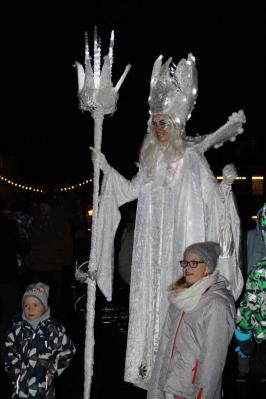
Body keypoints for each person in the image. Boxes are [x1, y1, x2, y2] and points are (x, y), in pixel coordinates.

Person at [91, 53, 245, 387]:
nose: (159, 128)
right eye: (155, 122)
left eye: (165, 122)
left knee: (179, 320)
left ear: (177, 125)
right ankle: (153, 373)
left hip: (180, 254)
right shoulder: (149, 161)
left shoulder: (191, 159)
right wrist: (106, 170)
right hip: (151, 259)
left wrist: (226, 190)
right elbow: (129, 191)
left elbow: (209, 205)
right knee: (151, 310)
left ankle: (179, 379)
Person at [146, 241, 236, 399]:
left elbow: (213, 360)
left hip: (192, 390)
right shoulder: (179, 299)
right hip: (169, 384)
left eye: (194, 263)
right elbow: (164, 348)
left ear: (208, 267)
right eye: (185, 262)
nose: (187, 268)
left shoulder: (216, 304)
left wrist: (203, 394)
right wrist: (155, 389)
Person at [3, 282, 76, 398]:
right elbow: (8, 352)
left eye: (35, 305)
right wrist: (15, 373)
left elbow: (68, 350)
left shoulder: (52, 330)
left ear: (44, 307)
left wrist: (52, 371)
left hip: (43, 389)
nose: (30, 309)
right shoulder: (16, 330)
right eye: (26, 305)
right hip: (21, 390)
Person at [235, 203, 266, 397]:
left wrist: (242, 336)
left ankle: (244, 370)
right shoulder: (247, 236)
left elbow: (248, 310)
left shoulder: (261, 271)